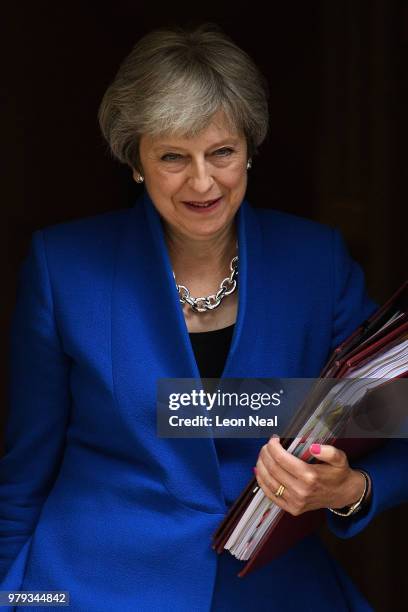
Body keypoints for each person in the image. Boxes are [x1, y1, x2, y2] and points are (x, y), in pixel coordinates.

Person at [1, 23, 407, 612]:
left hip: (274, 589)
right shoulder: (63, 269)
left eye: (222, 152)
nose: (201, 181)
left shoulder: (317, 263)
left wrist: (352, 490)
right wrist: (21, 597)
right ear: (135, 159)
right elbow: (22, 473)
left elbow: (392, 415)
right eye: (172, 156)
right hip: (92, 588)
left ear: (250, 148)